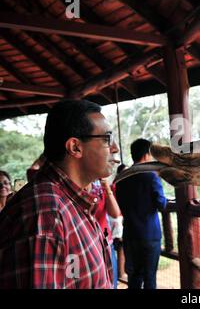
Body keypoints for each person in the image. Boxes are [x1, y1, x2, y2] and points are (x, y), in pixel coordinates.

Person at [0, 100, 119, 288]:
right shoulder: (45, 214)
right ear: (75, 147)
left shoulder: (72, 201)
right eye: (107, 139)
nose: (115, 148)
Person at [115, 139, 167, 289]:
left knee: (134, 277)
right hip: (149, 234)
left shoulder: (121, 179)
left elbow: (120, 204)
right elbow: (161, 203)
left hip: (130, 234)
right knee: (150, 278)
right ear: (146, 155)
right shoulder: (151, 176)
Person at [91, 178, 123, 289]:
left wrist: (107, 188)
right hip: (88, 245)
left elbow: (115, 213)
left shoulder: (100, 186)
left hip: (106, 243)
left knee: (111, 283)